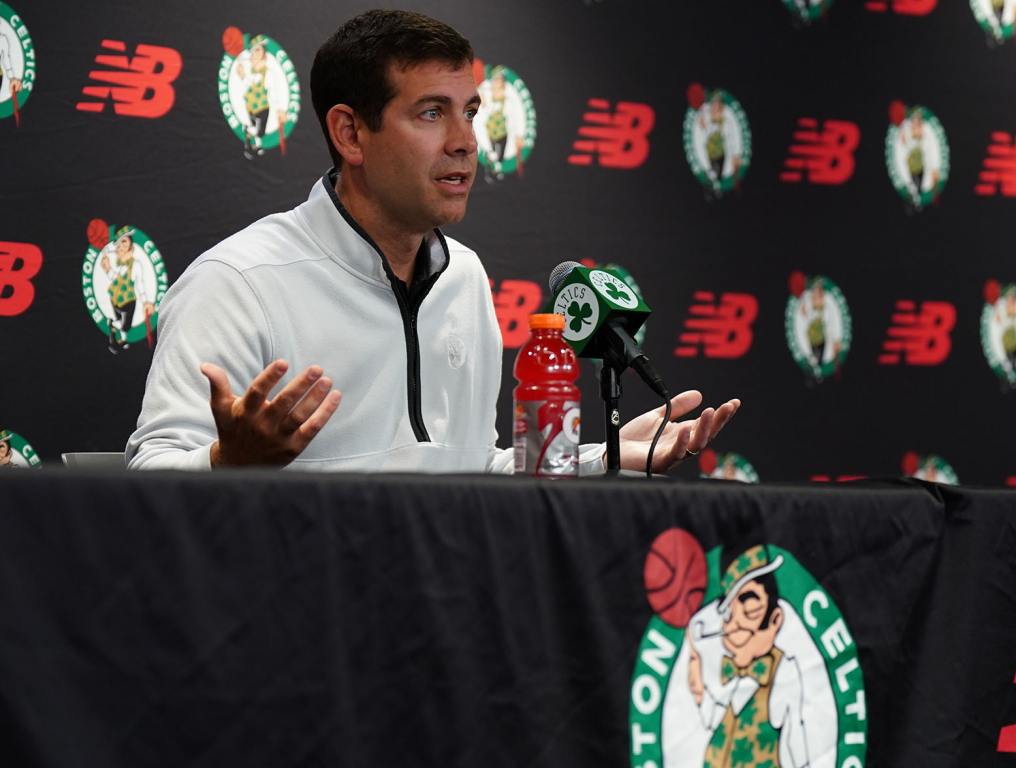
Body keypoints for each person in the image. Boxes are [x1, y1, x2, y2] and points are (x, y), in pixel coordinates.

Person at [126, 9, 739, 471]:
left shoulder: (464, 276)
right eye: (431, 113)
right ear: (350, 133)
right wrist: (225, 461)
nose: (465, 142)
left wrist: (600, 458)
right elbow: (145, 475)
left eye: (469, 112)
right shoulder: (238, 281)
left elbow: (469, 467)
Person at [685, 545, 812, 767]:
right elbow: (715, 721)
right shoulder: (731, 674)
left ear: (775, 620)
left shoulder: (783, 670)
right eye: (728, 614)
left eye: (750, 609)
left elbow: (797, 746)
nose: (735, 626)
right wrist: (699, 690)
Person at [100, 226, 155, 353]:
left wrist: (145, 301)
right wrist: (108, 268)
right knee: (125, 325)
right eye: (119, 243)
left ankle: (122, 340)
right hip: (123, 300)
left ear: (131, 245)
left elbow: (139, 284)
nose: (121, 245)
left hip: (119, 299)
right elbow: (118, 279)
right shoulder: (122, 264)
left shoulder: (134, 264)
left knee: (123, 323)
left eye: (124, 241)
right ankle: (113, 324)